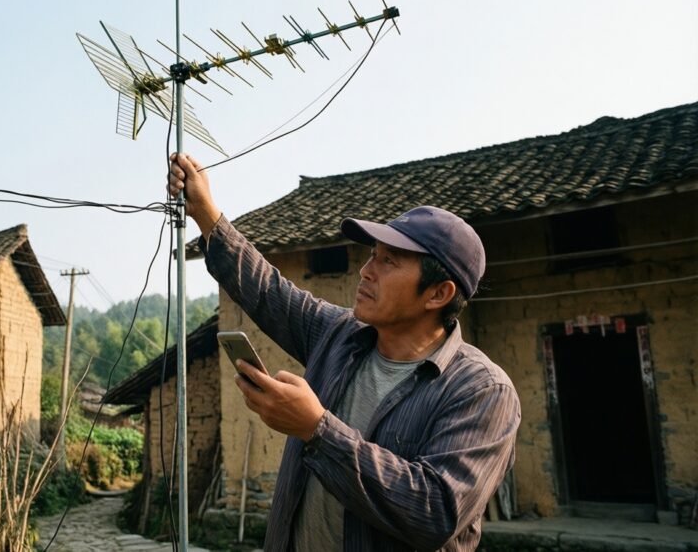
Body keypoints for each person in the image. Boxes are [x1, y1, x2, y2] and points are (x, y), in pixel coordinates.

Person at [167, 153, 521, 551]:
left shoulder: (482, 391)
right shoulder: (339, 335)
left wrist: (316, 430)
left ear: (438, 293)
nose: (367, 271)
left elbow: (435, 511)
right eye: (372, 254)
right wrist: (206, 213)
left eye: (390, 261)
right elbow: (267, 290)